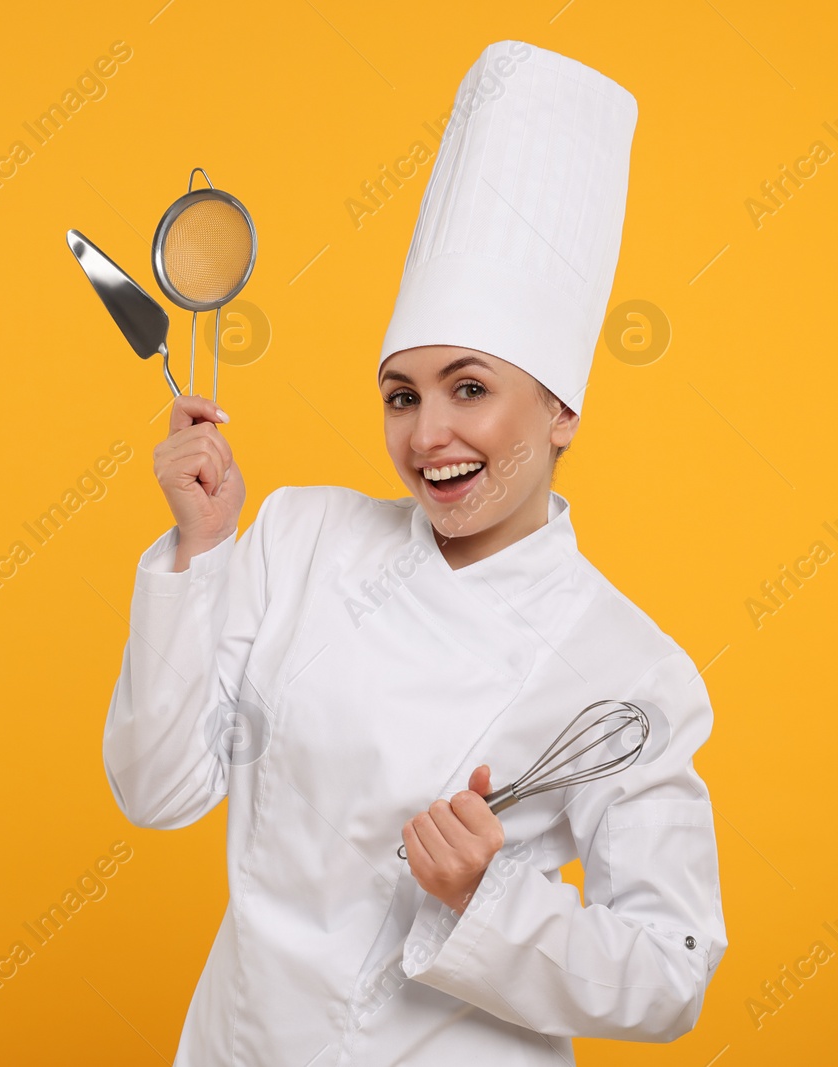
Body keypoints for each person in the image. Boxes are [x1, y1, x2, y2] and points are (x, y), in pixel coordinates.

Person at [102, 40, 727, 1065]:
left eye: (469, 388)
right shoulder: (300, 537)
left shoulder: (627, 667)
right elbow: (155, 789)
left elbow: (671, 969)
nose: (427, 432)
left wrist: (488, 900)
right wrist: (199, 549)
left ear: (561, 407)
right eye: (403, 393)